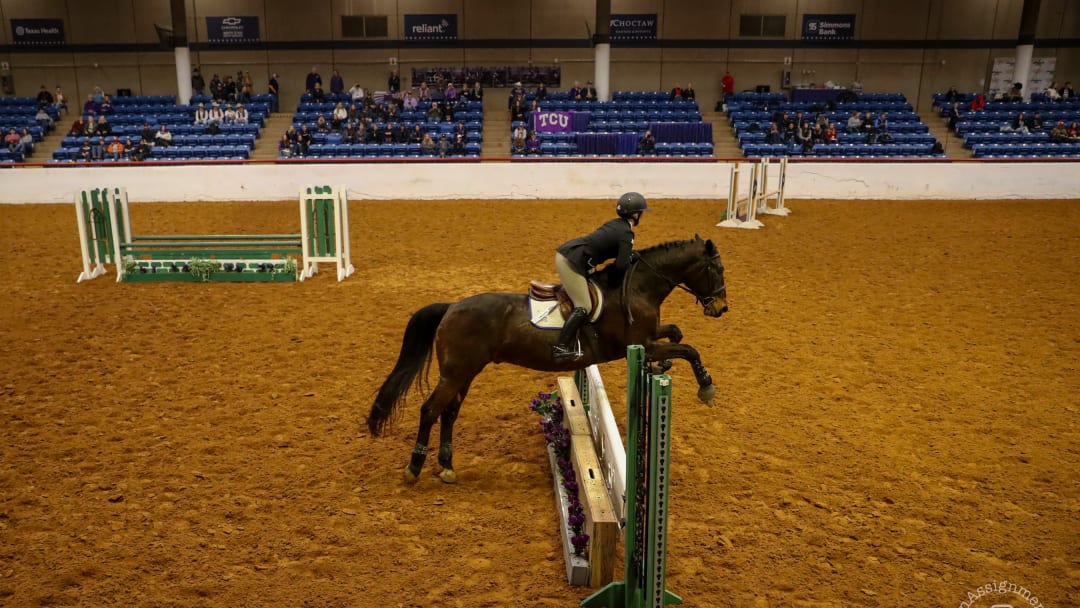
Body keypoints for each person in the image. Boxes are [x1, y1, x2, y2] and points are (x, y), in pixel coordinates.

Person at [551, 192, 647, 361]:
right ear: (636, 214)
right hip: (571, 261)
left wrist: (629, 256)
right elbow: (621, 265)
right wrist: (615, 282)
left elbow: (620, 255)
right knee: (584, 306)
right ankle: (560, 347)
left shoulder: (616, 224)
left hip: (572, 254)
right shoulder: (627, 233)